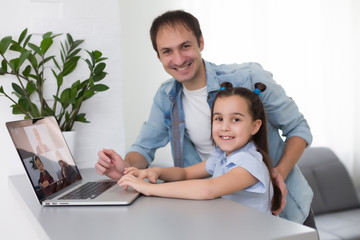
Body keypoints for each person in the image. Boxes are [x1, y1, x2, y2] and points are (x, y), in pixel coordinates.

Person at [95, 10, 315, 227]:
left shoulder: (248, 80)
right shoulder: (168, 99)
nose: (179, 59)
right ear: (159, 56)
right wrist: (129, 170)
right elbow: (152, 154)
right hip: (226, 221)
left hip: (285, 216)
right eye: (167, 51)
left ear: (200, 42)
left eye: (185, 46)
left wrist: (279, 173)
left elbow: (298, 129)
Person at [119, 83, 282, 214]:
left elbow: (208, 189)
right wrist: (156, 172)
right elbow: (185, 173)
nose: (224, 127)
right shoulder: (222, 156)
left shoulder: (249, 164)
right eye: (218, 118)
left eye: (236, 120)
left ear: (255, 126)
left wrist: (150, 189)